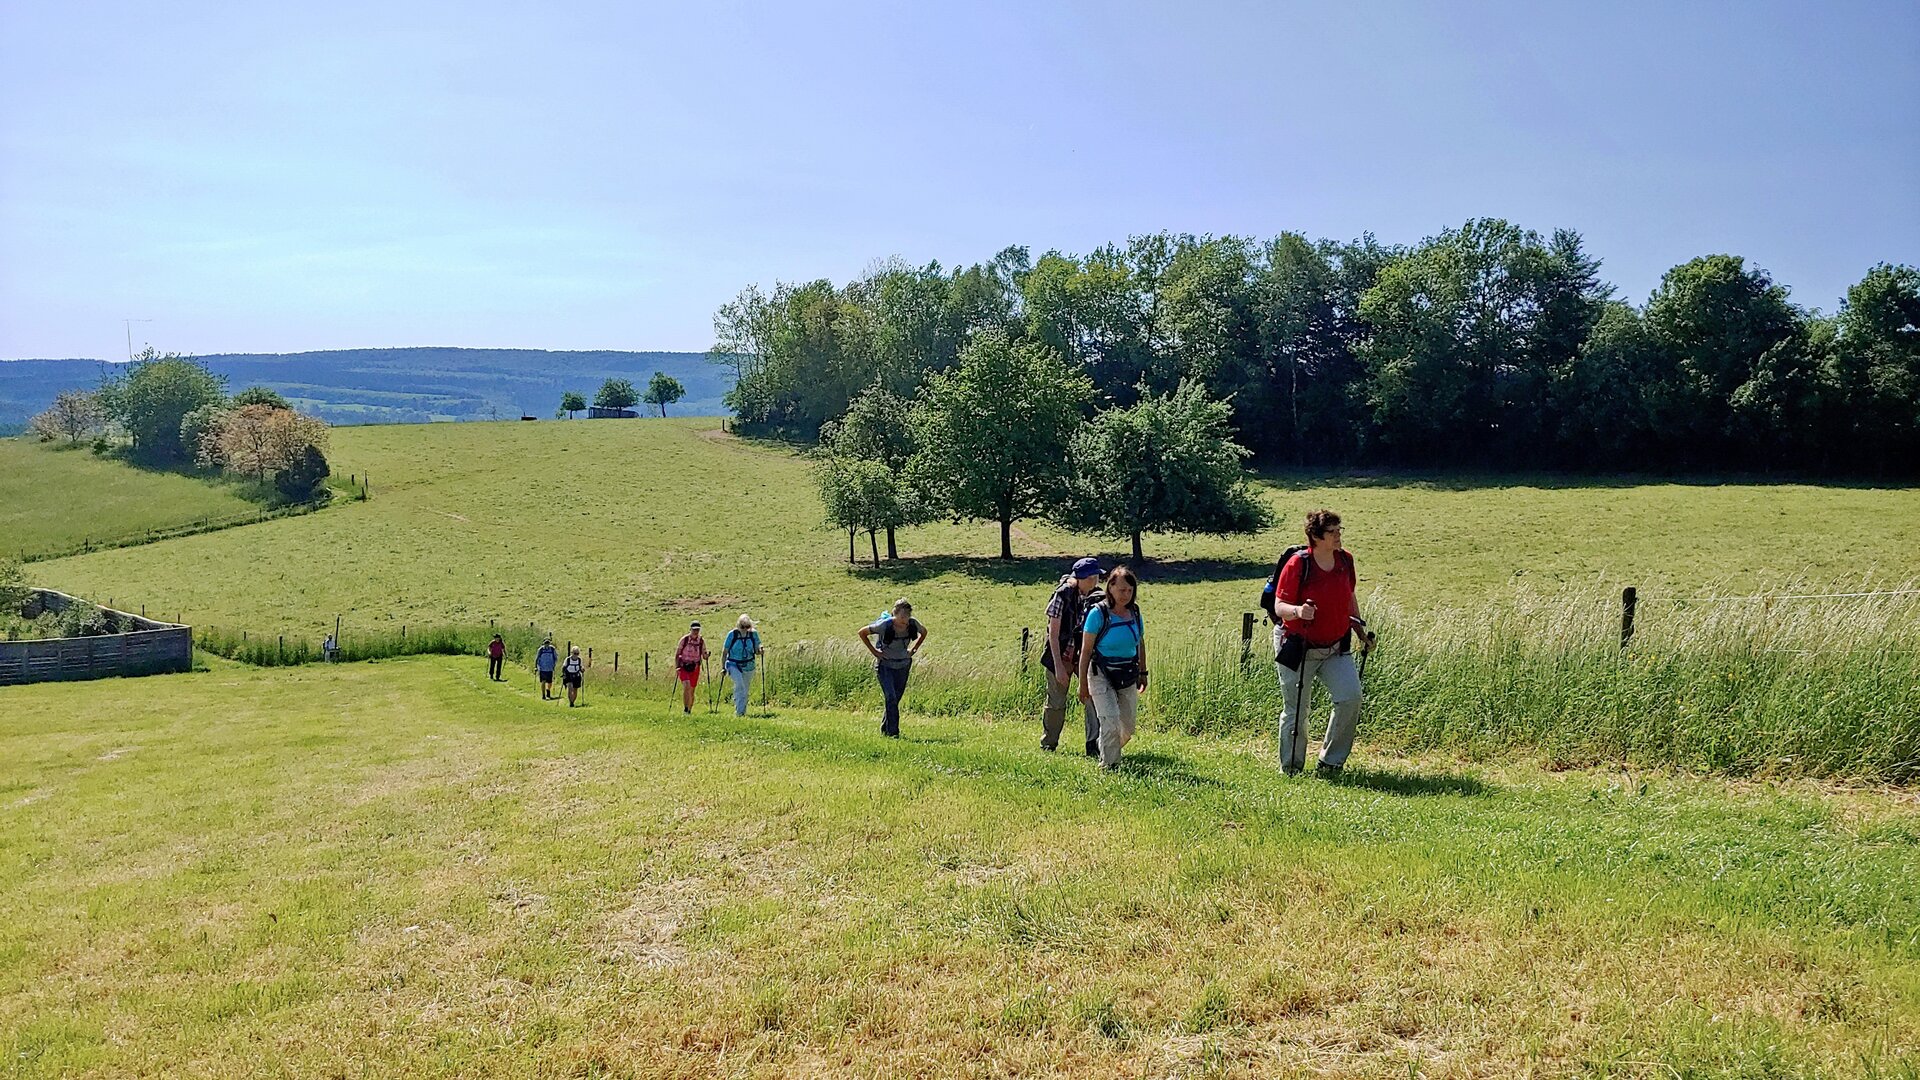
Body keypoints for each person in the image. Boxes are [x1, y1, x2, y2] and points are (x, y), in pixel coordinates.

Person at [1271, 508, 1365, 777]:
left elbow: (1349, 598)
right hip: (1297, 646)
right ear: (1315, 536)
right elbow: (1279, 606)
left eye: (1339, 530)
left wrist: (1360, 631)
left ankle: (1331, 762)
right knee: (1296, 710)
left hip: (1335, 646)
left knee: (1350, 698)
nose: (1338, 536)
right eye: (1332, 532)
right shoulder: (1299, 564)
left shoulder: (1345, 561)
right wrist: (1299, 611)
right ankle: (1291, 768)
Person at [1077, 565, 1147, 770]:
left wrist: (1143, 672)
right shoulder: (1098, 614)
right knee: (1110, 721)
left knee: (1128, 727)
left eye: (1130, 590)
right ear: (1111, 588)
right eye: (1121, 589)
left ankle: (1105, 747)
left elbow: (1140, 643)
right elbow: (1086, 651)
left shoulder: (1134, 612)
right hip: (1100, 673)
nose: (1126, 594)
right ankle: (1109, 766)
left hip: (1127, 673)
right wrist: (1083, 685)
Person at [1041, 557, 1103, 755]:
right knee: (1056, 702)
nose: (1097, 581)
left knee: (1092, 695)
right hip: (1060, 653)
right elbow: (1053, 633)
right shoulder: (1063, 595)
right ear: (1087, 578)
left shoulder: (1094, 596)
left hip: (1081, 654)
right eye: (1094, 577)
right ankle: (1049, 744)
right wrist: (1059, 666)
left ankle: (1092, 744)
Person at [858, 599, 926, 738]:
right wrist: (875, 652)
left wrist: (914, 649)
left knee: (894, 700)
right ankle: (894, 734)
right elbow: (862, 632)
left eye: (907, 616)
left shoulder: (913, 624)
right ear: (895, 614)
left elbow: (924, 632)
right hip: (885, 666)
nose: (905, 620)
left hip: (903, 665)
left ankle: (885, 730)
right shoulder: (885, 625)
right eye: (902, 617)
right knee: (891, 697)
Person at [722, 614, 762, 717]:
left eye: (747, 627)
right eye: (742, 627)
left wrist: (760, 650)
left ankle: (742, 711)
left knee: (745, 689)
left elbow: (757, 649)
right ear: (738, 626)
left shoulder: (753, 635)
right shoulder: (732, 635)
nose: (744, 630)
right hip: (733, 664)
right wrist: (723, 667)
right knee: (739, 685)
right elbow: (725, 651)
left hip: (749, 665)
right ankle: (739, 712)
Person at [674, 621, 707, 714]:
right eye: (694, 630)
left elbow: (704, 655)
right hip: (684, 667)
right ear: (690, 629)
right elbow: (677, 654)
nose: (696, 632)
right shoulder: (684, 640)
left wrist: (706, 655)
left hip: (695, 667)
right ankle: (685, 709)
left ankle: (689, 710)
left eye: (697, 630)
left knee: (692, 690)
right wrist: (677, 667)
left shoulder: (701, 641)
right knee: (686, 686)